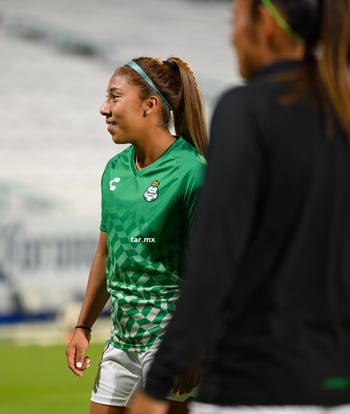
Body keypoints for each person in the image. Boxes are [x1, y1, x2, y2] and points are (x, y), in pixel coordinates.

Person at [128, 0, 350, 414]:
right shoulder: (342, 109)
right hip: (336, 385)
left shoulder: (246, 109)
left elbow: (214, 259)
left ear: (263, 24)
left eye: (235, 21)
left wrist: (157, 384)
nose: (231, 35)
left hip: (253, 386)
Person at [65, 56, 208, 414]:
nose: (104, 109)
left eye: (114, 97)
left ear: (150, 105)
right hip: (122, 338)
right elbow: (104, 254)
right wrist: (83, 326)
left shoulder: (192, 171)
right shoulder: (114, 169)